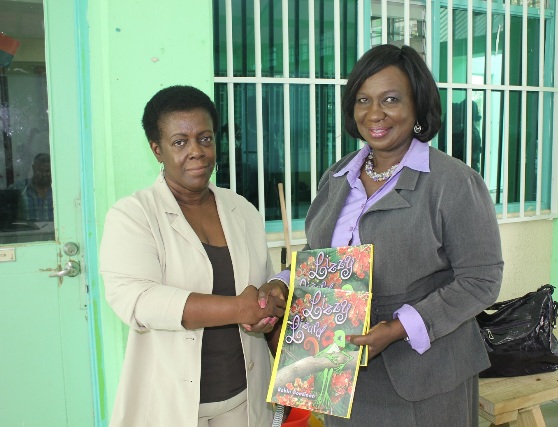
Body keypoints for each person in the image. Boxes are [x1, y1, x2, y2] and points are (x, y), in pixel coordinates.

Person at [298, 44, 503, 426]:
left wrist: (397, 328)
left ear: (417, 105)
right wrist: (282, 287)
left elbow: (481, 279)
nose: (375, 113)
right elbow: (318, 255)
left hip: (425, 374)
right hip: (341, 372)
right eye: (363, 99)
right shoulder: (337, 177)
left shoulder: (453, 182)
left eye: (391, 99)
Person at [99, 85, 287, 427]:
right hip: (170, 404)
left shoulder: (242, 210)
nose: (197, 151)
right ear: (157, 149)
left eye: (205, 139)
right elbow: (139, 300)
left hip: (245, 398)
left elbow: (260, 286)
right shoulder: (133, 215)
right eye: (179, 142)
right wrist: (238, 308)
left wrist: (269, 299)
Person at [12, 152, 53, 222]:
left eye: (47, 171)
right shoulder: (18, 188)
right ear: (33, 168)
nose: (43, 175)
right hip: (27, 229)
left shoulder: (59, 190)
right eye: (39, 171)